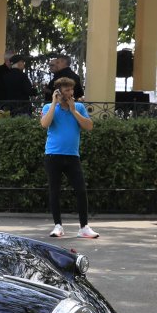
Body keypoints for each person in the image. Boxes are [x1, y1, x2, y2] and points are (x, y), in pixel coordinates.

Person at [40, 75, 97, 238]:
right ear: (59, 92)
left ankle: (84, 227)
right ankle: (58, 226)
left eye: (71, 89)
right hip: (53, 155)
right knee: (55, 191)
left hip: (72, 156)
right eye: (67, 90)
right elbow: (45, 124)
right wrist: (53, 103)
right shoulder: (48, 107)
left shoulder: (78, 107)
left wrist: (73, 111)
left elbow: (89, 126)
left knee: (81, 190)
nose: (71, 93)